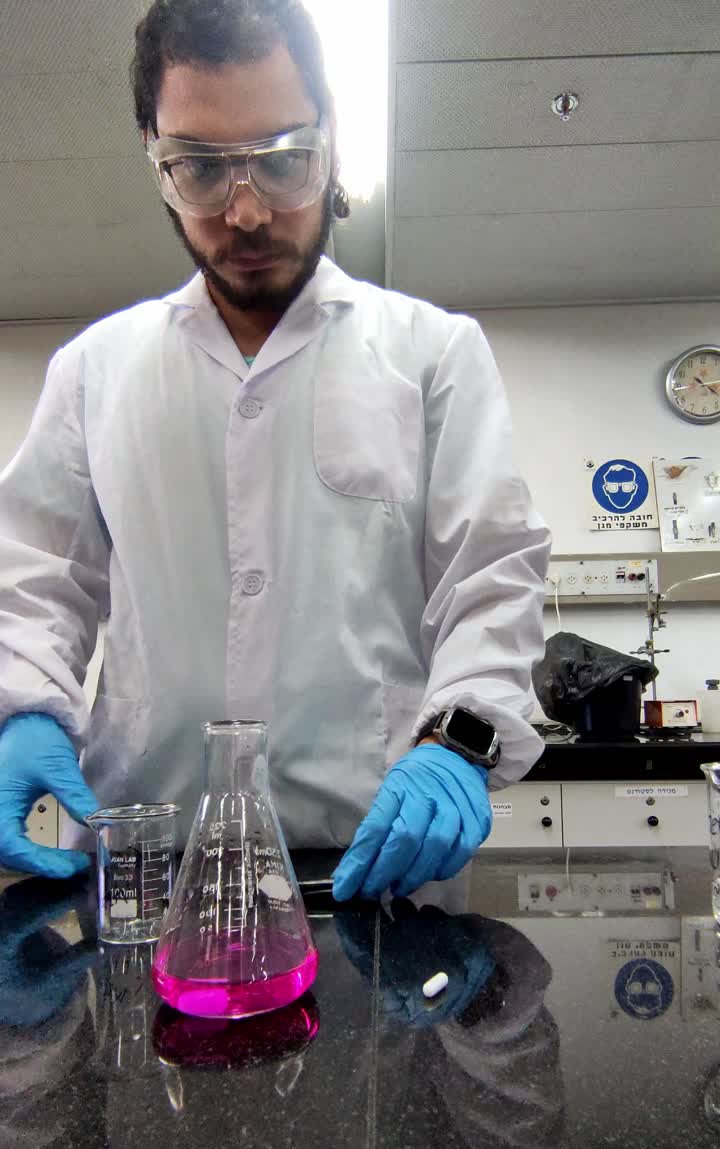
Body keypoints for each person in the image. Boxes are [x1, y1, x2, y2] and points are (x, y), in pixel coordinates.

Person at [0, 0, 550, 901]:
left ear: (332, 139)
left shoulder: (431, 353)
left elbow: (490, 575)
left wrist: (458, 741)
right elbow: (37, 580)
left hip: (374, 871)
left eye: (282, 158)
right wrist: (22, 709)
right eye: (201, 170)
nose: (247, 210)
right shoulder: (95, 370)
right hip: (149, 871)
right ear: (154, 157)